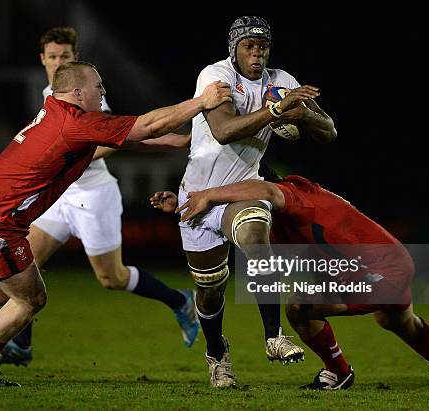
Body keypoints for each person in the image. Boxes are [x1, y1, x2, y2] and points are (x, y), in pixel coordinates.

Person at [0, 61, 232, 387]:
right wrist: (201, 101)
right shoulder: (76, 123)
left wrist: (184, 141)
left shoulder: (55, 112)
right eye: (98, 86)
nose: (104, 92)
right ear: (78, 93)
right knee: (30, 299)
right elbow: (148, 125)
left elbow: (132, 138)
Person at [151, 166, 429, 390]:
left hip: (376, 271)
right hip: (384, 262)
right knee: (396, 320)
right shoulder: (274, 216)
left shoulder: (290, 197)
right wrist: (182, 202)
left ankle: (339, 372)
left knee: (299, 305)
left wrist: (207, 194)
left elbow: (265, 190)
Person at [0, 26, 199, 367]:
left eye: (65, 56)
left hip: (93, 195)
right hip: (60, 196)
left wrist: (64, 158)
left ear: (74, 58)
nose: (58, 61)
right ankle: (22, 345)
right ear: (42, 59)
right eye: (53, 57)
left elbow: (109, 140)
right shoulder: (50, 92)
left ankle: (180, 301)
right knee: (24, 265)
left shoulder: (88, 94)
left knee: (111, 278)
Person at [174, 15, 336, 387]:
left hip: (243, 190)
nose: (257, 53)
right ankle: (217, 353)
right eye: (249, 45)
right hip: (197, 198)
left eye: (262, 46)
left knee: (255, 238)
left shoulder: (282, 82)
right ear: (234, 48)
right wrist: (277, 111)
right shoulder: (216, 77)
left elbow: (329, 131)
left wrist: (305, 115)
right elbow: (224, 130)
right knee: (210, 291)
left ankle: (274, 336)